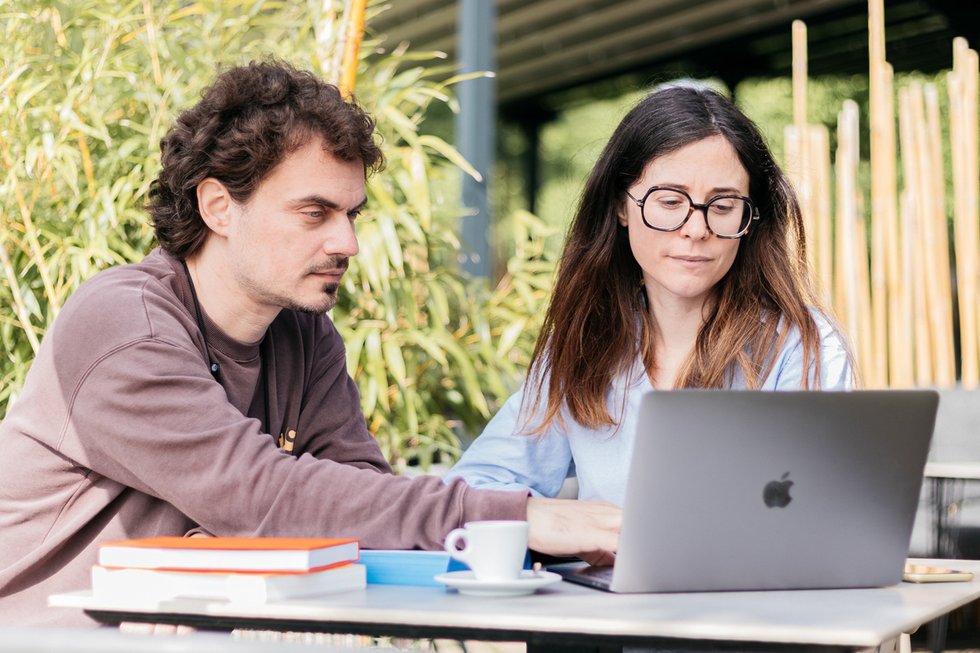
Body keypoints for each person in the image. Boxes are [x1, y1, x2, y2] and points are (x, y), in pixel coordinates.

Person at [0, 61, 620, 626]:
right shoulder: (124, 324)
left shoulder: (301, 333)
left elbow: (355, 496)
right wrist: (518, 516)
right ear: (218, 205)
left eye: (352, 215)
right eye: (315, 213)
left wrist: (264, 527)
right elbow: (262, 494)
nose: (347, 244)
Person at [445, 83, 854, 505]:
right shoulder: (589, 340)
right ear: (622, 206)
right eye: (670, 201)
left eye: (724, 205)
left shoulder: (801, 345)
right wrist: (557, 522)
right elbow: (479, 483)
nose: (697, 229)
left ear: (750, 219)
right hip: (607, 573)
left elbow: (814, 509)